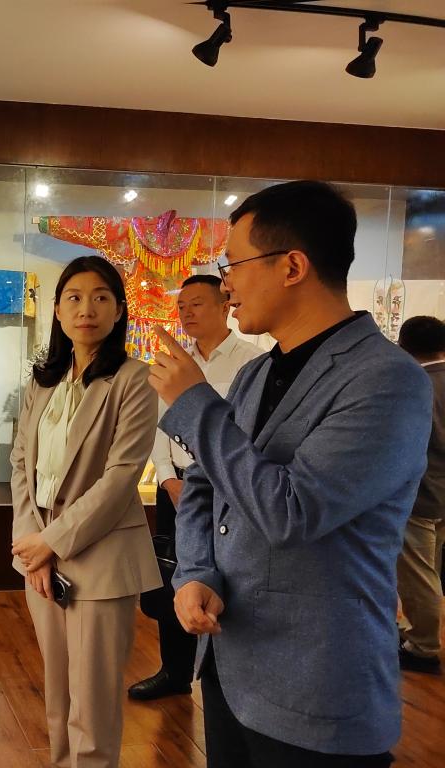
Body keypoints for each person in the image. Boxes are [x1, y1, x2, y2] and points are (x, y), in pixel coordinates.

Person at [147, 180, 432, 767]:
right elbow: (202, 486)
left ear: (293, 266)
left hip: (317, 685)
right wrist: (196, 572)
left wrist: (195, 405)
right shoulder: (255, 375)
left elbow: (293, 512)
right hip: (230, 666)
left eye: (233, 265)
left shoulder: (387, 380)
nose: (225, 284)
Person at [11, 256, 161, 768]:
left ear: (119, 311)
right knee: (57, 695)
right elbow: (20, 463)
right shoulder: (43, 381)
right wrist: (32, 546)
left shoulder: (134, 379)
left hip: (102, 557)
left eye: (100, 298)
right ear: (57, 310)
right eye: (74, 298)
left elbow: (121, 478)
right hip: (39, 556)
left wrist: (50, 543)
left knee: (92, 704)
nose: (86, 309)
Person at [129, 275, 263, 701]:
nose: (186, 312)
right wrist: (167, 477)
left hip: (228, 486)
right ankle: (174, 671)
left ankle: (228, 680)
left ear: (225, 306)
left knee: (230, 575)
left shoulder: (251, 362)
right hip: (176, 486)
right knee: (175, 572)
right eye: (182, 305)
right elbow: (156, 425)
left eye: (197, 303)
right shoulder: (173, 361)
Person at [396, 315, 445, 675]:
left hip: (420, 496)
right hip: (442, 494)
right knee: (432, 568)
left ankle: (423, 646)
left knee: (418, 577)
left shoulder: (415, 386)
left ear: (403, 346)